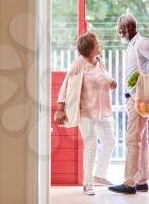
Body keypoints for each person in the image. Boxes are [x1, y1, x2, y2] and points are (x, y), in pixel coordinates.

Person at [54, 32, 117, 195]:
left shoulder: (99, 61)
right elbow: (65, 84)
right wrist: (60, 108)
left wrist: (110, 80)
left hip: (100, 111)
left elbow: (103, 77)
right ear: (89, 48)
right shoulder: (79, 63)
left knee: (110, 141)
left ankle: (99, 175)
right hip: (85, 112)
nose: (99, 44)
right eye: (97, 43)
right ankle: (87, 184)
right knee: (91, 145)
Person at [108, 14, 149, 194]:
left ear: (129, 27)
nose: (119, 33)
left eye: (120, 30)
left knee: (132, 140)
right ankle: (142, 180)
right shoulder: (132, 44)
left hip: (139, 99)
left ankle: (129, 183)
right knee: (141, 140)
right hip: (133, 99)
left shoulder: (142, 43)